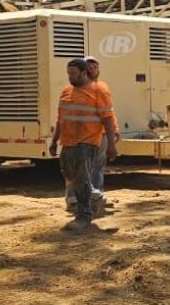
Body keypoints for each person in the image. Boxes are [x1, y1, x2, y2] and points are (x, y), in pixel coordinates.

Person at [50, 58, 118, 232]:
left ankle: (83, 216)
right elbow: (61, 119)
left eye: (73, 73)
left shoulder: (99, 90)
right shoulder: (66, 91)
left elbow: (108, 119)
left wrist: (111, 145)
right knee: (70, 176)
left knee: (81, 178)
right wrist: (54, 141)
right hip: (68, 142)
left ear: (83, 72)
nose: (70, 77)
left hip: (87, 141)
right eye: (68, 74)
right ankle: (95, 197)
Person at [64, 56, 117, 216]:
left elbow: (108, 113)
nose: (93, 70)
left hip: (100, 136)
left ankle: (95, 199)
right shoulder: (75, 90)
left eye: (95, 67)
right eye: (90, 67)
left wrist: (115, 130)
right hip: (82, 139)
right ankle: (75, 200)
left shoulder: (102, 88)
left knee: (97, 169)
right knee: (77, 171)